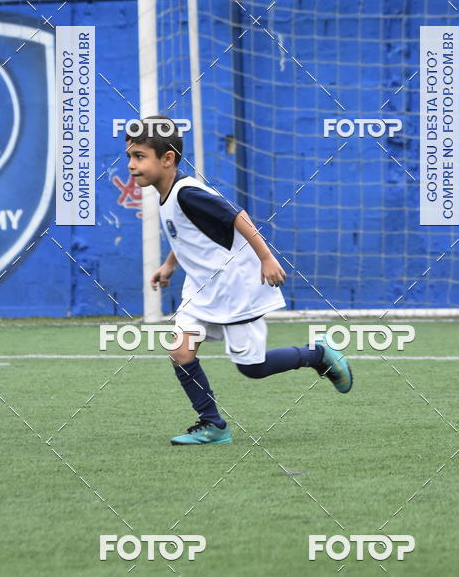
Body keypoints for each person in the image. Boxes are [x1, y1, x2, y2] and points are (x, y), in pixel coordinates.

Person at [126, 115, 352, 446]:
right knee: (180, 351)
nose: (131, 165)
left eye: (139, 157)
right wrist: (169, 265)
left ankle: (316, 355)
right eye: (129, 156)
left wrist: (266, 257)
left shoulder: (188, 193)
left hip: (234, 288)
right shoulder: (167, 194)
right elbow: (189, 236)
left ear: (168, 158)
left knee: (253, 368)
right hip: (202, 289)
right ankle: (213, 425)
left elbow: (236, 216)